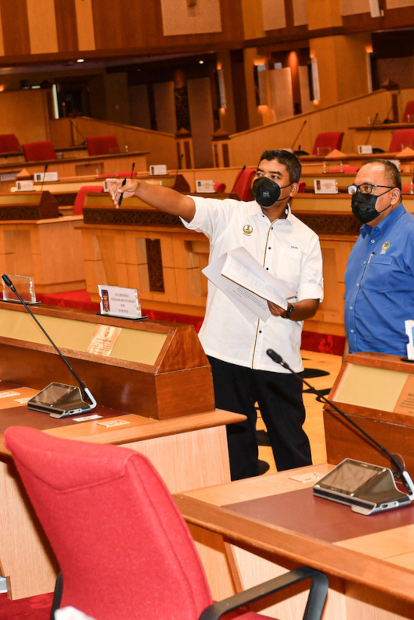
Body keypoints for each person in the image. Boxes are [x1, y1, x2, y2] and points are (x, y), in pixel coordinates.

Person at [112, 150, 323, 480]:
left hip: (278, 358)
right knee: (233, 447)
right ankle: (240, 514)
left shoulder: (307, 238)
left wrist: (290, 309)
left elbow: (312, 302)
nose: (264, 181)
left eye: (275, 176)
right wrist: (138, 187)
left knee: (291, 446)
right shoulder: (229, 214)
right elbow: (181, 203)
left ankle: (301, 515)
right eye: (260, 173)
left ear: (294, 188)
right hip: (225, 354)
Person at [344, 159, 414, 356]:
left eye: (368, 188)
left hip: (403, 360)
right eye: (356, 189)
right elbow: (354, 307)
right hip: (360, 360)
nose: (359, 196)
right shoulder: (364, 237)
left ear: (394, 195)